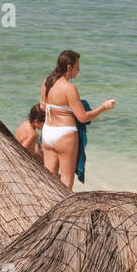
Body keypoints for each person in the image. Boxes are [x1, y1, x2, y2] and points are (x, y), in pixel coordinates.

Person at [40, 50, 115, 189]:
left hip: (48, 132)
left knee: (49, 180)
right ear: (69, 67)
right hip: (64, 135)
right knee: (66, 182)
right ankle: (62, 211)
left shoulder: (47, 82)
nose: (79, 70)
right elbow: (83, 117)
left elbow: (42, 107)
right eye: (77, 66)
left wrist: (59, 109)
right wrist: (103, 107)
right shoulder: (69, 88)